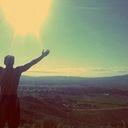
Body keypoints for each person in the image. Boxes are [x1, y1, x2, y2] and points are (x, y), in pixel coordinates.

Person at [0, 49, 50, 128]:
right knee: (12, 124)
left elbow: (31, 63)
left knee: (7, 123)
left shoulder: (2, 71)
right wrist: (42, 56)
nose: (9, 62)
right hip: (12, 99)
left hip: (5, 99)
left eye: (9, 60)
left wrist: (42, 56)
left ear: (4, 62)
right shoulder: (17, 71)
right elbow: (31, 63)